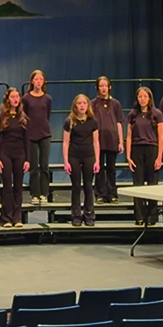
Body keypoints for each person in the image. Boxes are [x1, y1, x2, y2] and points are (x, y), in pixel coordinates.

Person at [126, 87, 163, 226]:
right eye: (139, 96)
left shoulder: (157, 114)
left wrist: (159, 157)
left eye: (144, 96)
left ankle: (152, 216)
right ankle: (140, 216)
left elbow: (161, 137)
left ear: (149, 98)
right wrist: (128, 156)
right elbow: (129, 136)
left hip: (152, 149)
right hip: (136, 150)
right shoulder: (132, 115)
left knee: (152, 184)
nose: (142, 99)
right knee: (138, 184)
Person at [0, 88, 31, 228]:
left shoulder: (24, 118)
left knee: (18, 187)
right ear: (8, 99)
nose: (15, 99)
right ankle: (6, 218)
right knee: (7, 186)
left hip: (20, 153)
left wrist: (28, 159)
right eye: (13, 96)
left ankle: (17, 217)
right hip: (6, 153)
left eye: (17, 96)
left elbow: (27, 140)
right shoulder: (1, 117)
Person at [63, 94, 100, 227]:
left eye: (84, 103)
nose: (82, 105)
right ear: (75, 106)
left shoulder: (93, 121)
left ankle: (89, 215)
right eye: (79, 103)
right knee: (76, 187)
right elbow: (66, 143)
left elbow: (96, 142)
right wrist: (66, 161)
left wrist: (97, 160)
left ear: (88, 105)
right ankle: (76, 215)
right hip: (74, 156)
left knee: (88, 186)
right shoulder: (70, 121)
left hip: (89, 156)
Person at [90, 76, 123, 204]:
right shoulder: (92, 104)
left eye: (105, 85)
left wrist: (121, 141)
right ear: (97, 88)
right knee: (99, 169)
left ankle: (112, 194)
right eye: (101, 86)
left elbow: (119, 123)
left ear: (109, 87)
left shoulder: (116, 103)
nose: (103, 88)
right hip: (98, 140)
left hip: (112, 140)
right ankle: (100, 194)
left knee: (111, 168)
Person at [23, 70, 52, 205]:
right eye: (36, 79)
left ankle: (44, 193)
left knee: (44, 165)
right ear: (32, 81)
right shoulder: (26, 98)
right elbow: (24, 116)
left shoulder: (47, 98)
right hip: (31, 135)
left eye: (41, 79)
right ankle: (34, 194)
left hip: (44, 134)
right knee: (33, 166)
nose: (39, 81)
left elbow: (47, 115)